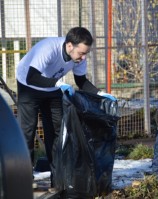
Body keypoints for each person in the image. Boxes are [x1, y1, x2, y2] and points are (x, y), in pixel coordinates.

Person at [16, 27, 116, 187]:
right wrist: (57, 83)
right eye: (81, 53)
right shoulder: (48, 49)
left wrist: (101, 94)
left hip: (53, 87)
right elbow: (32, 77)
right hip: (29, 86)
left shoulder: (78, 57)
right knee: (27, 129)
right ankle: (25, 178)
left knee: (57, 132)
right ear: (70, 46)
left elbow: (81, 81)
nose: (83, 58)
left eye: (86, 54)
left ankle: (58, 178)